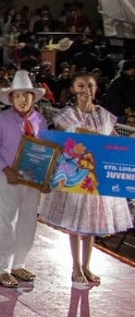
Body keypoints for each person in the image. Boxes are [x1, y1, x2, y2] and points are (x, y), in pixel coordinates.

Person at [38, 73, 133, 284]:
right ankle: (76, 267)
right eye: (81, 85)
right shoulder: (66, 116)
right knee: (75, 224)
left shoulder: (105, 116)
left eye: (89, 85)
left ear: (95, 88)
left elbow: (114, 141)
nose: (85, 90)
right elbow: (60, 143)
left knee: (91, 225)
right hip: (75, 176)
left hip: (96, 178)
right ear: (73, 89)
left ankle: (87, 266)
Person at [0, 71, 48, 288]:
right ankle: (3, 268)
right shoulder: (2, 120)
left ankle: (19, 264)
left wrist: (45, 176)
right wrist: (5, 168)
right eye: (18, 96)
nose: (23, 100)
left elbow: (46, 150)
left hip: (33, 181)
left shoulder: (40, 120)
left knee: (28, 222)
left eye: (27, 96)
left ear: (33, 97)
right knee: (7, 222)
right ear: (11, 98)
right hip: (9, 178)